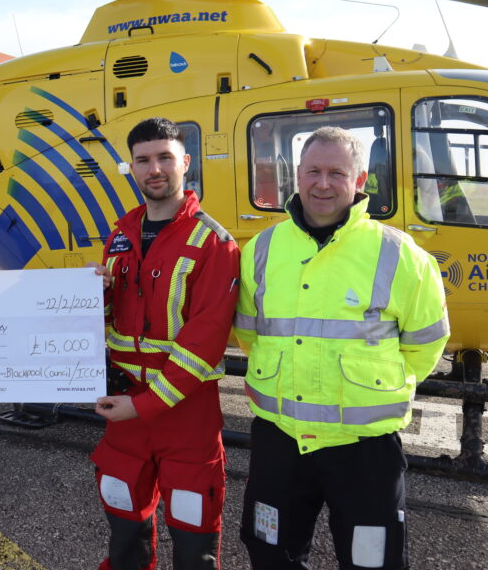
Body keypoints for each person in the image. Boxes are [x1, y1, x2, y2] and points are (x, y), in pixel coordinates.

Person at [233, 126, 450, 569]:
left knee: (372, 562)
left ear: (360, 179)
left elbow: (425, 345)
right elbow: (250, 334)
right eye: (313, 171)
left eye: (337, 172)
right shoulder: (261, 249)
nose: (323, 183)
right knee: (269, 552)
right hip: (280, 439)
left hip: (363, 448)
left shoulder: (401, 255)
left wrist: (369, 391)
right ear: (298, 174)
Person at [89, 117, 240, 570]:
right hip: (124, 411)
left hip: (185, 417)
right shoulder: (119, 237)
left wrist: (145, 405)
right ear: (131, 168)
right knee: (124, 536)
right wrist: (90, 303)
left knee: (194, 541)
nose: (154, 169)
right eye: (143, 160)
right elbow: (111, 322)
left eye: (164, 158)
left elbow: (204, 343)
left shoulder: (214, 242)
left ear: (185, 163)